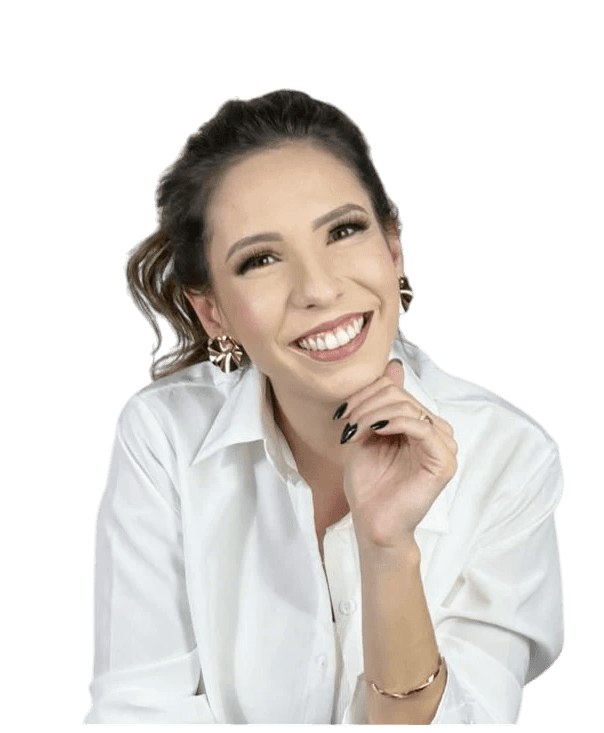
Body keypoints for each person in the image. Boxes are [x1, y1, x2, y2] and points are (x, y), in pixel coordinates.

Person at [82, 89, 564, 725]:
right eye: (260, 260)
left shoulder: (511, 456)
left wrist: (387, 548)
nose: (319, 288)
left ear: (393, 252)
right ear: (213, 311)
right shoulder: (163, 435)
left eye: (344, 231)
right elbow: (139, 713)